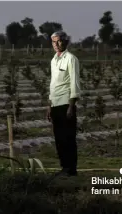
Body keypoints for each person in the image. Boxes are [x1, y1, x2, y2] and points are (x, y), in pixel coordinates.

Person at [46, 31, 81, 176]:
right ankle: (64, 167)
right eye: (53, 42)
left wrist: (71, 106)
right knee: (59, 138)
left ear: (65, 42)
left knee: (68, 137)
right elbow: (53, 84)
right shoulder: (54, 60)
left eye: (59, 41)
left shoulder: (71, 59)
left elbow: (74, 82)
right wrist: (49, 105)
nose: (56, 44)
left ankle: (71, 169)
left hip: (66, 103)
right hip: (55, 103)